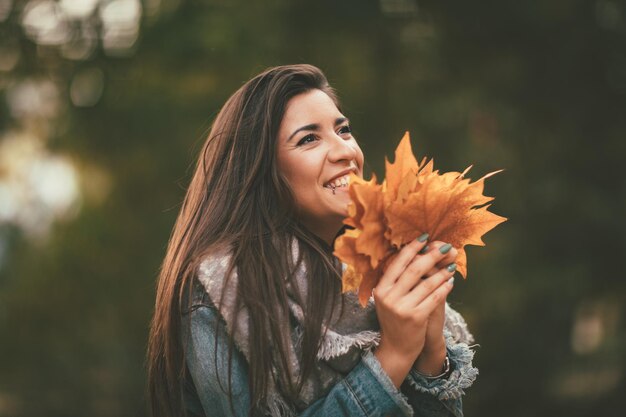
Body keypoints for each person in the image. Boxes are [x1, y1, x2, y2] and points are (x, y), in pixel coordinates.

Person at [147, 64, 478, 417]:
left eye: (343, 130)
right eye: (309, 139)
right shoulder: (222, 291)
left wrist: (429, 352)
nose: (345, 151)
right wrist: (393, 356)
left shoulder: (381, 272)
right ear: (262, 171)